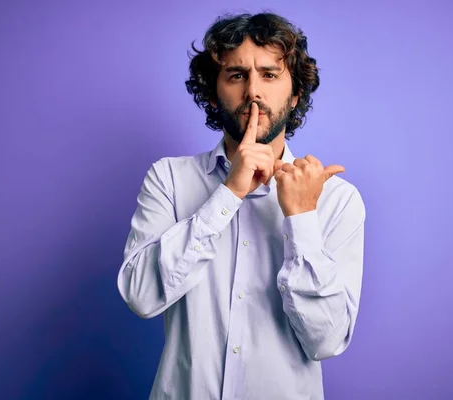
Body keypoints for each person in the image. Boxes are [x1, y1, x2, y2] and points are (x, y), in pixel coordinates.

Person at [117, 11, 366, 400]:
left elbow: (327, 341)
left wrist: (300, 218)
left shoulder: (337, 201)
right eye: (236, 75)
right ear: (215, 93)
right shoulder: (168, 179)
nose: (253, 91)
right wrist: (229, 193)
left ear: (295, 93)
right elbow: (141, 296)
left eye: (269, 75)